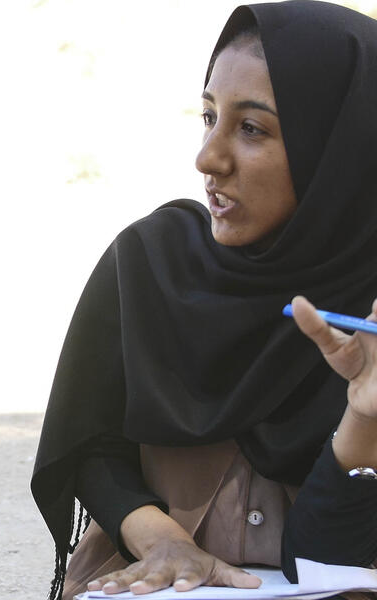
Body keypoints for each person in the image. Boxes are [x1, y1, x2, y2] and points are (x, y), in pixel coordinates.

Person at [31, 2, 377, 598]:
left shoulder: (367, 317)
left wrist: (364, 419)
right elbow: (89, 442)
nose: (208, 159)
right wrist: (164, 542)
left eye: (252, 128)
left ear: (341, 147)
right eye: (209, 116)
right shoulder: (151, 262)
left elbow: (329, 556)